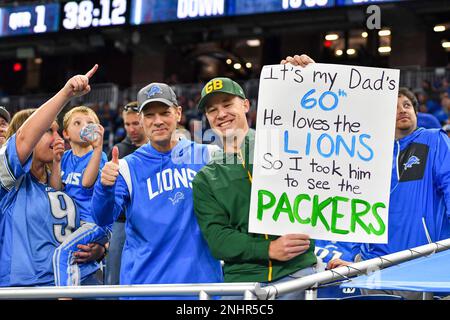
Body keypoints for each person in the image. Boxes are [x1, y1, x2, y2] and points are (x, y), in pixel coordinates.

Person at [192, 54, 318, 300]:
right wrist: (269, 249)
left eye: (228, 104)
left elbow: (323, 131)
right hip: (241, 282)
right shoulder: (205, 178)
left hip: (298, 271)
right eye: (212, 110)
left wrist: (310, 80)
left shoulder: (287, 144)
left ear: (246, 105)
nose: (221, 114)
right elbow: (218, 238)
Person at [92, 82, 223, 299]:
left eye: (164, 112)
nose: (158, 121)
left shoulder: (209, 156)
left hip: (199, 289)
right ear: (141, 120)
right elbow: (103, 218)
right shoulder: (127, 167)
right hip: (145, 289)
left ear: (178, 113)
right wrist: (104, 187)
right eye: (150, 115)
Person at [328, 87, 450, 300]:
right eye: (393, 107)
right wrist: (354, 258)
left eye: (407, 105)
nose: (402, 110)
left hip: (417, 262)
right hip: (372, 264)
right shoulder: (368, 154)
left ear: (416, 112)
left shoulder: (433, 140)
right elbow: (356, 209)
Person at [0, 65, 106, 288]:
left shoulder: (60, 178)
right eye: (49, 130)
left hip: (82, 280)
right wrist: (67, 93)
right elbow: (23, 140)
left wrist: (99, 249)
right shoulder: (10, 184)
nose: (59, 138)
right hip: (30, 288)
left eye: (58, 131)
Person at [52, 106, 110, 286]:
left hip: (94, 223)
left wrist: (98, 148)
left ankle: (67, 296)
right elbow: (55, 189)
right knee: (77, 261)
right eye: (77, 123)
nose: (85, 126)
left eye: (90, 123)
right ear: (66, 133)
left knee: (63, 255)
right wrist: (56, 161)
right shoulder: (66, 157)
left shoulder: (98, 156)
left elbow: (86, 182)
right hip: (73, 225)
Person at [105, 101, 147, 286]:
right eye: (127, 124)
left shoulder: (161, 150)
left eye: (135, 123)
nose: (131, 129)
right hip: (121, 223)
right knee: (114, 279)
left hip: (150, 221)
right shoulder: (117, 152)